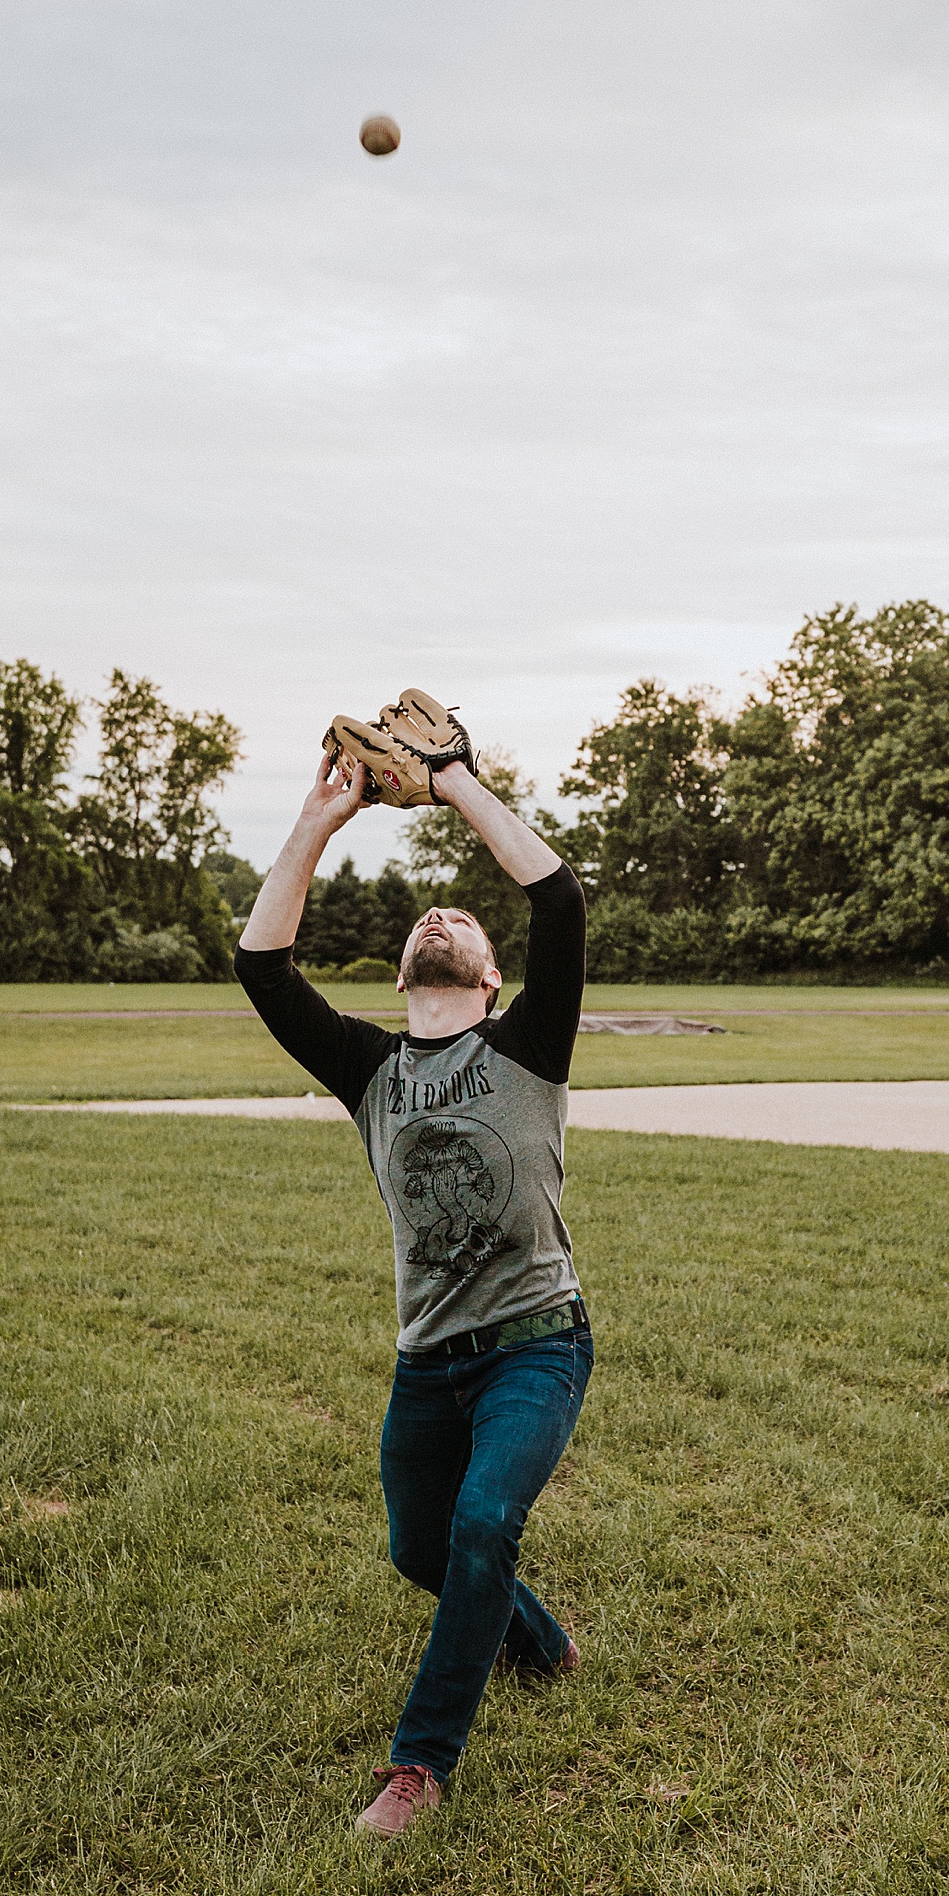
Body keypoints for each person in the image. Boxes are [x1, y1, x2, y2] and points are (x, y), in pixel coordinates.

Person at [235, 746, 590, 1839]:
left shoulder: (530, 1042)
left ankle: (420, 1764)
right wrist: (320, 817)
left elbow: (558, 898)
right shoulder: (369, 1070)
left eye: (465, 921)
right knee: (419, 1549)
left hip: (537, 1342)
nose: (442, 909)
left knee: (484, 1520)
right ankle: (542, 1641)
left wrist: (451, 782)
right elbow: (261, 964)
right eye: (427, 917)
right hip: (428, 1360)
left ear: (489, 981)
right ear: (405, 976)